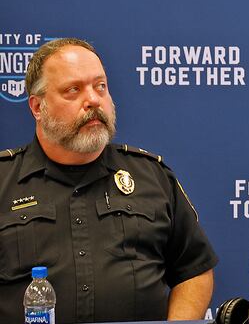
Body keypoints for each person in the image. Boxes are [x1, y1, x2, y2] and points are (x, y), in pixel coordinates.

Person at [0, 38, 218, 322]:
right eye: (73, 90)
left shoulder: (151, 176)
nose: (92, 100)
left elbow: (195, 269)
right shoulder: (5, 181)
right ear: (37, 107)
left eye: (100, 86)